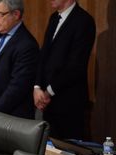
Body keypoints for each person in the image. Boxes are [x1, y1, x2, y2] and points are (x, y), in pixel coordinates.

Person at [34, 0, 96, 139]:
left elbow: (75, 66)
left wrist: (48, 92)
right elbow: (43, 55)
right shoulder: (53, 18)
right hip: (47, 104)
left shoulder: (84, 21)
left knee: (67, 154)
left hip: (69, 105)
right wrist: (37, 86)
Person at [0, 0, 39, 123]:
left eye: (0, 14)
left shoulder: (27, 45)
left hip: (11, 121)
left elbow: (17, 88)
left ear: (16, 14)